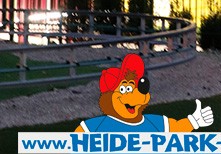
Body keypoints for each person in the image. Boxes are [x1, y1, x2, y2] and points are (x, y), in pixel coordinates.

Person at [75, 52, 213, 133]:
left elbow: (175, 128)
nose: (135, 94)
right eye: (124, 89)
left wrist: (194, 121)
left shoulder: (153, 123)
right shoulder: (96, 127)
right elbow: (74, 140)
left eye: (137, 87)